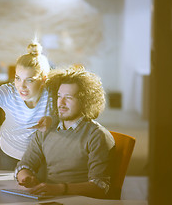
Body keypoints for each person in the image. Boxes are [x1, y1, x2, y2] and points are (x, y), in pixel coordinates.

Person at [14, 66, 115, 199]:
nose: (61, 102)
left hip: (77, 200)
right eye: (59, 96)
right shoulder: (46, 129)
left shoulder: (97, 135)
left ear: (85, 102)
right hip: (47, 197)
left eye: (68, 97)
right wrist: (26, 177)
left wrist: (60, 189)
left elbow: (100, 186)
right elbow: (24, 165)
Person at [0, 50, 53, 170]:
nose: (21, 86)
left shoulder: (52, 95)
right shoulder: (8, 92)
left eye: (29, 80)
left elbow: (70, 118)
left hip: (40, 153)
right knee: (8, 186)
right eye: (18, 78)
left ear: (43, 79)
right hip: (9, 151)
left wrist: (54, 121)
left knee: (38, 188)